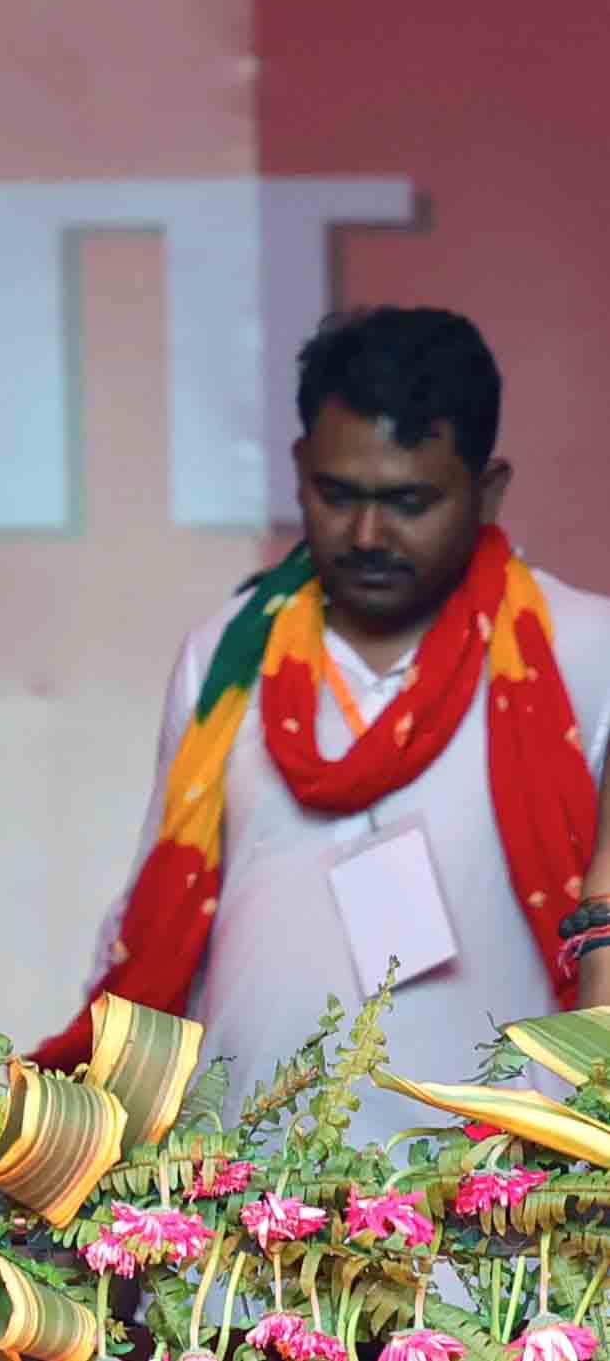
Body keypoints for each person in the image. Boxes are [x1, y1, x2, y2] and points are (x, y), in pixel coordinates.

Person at [57, 308, 607, 1134]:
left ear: (487, 489)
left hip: (492, 1212)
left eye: (407, 501)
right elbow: (151, 924)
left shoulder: (584, 651)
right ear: (297, 468)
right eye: (336, 494)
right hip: (246, 1208)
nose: (365, 534)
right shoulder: (222, 656)